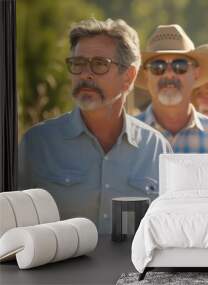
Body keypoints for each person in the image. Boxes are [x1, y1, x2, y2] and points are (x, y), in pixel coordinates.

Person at [18, 18, 172, 234]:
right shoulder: (37, 144)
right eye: (78, 64)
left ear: (129, 77)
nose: (85, 74)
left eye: (100, 64)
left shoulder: (156, 149)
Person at [135, 24, 208, 153]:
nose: (169, 74)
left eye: (180, 66)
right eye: (158, 66)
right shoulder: (123, 139)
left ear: (196, 73)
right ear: (146, 75)